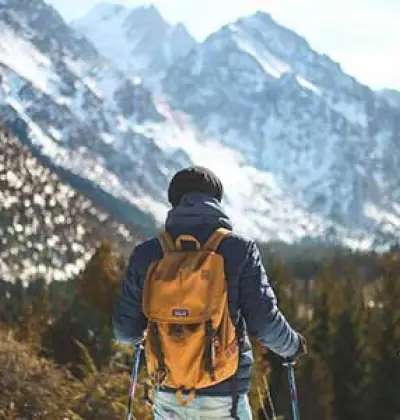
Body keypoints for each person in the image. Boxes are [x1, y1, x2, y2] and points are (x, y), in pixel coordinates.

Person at [113, 166, 307, 420]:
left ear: (174, 202)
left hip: (168, 392)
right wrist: (292, 346)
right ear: (216, 201)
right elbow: (264, 321)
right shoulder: (239, 250)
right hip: (223, 395)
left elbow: (125, 333)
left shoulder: (147, 254)